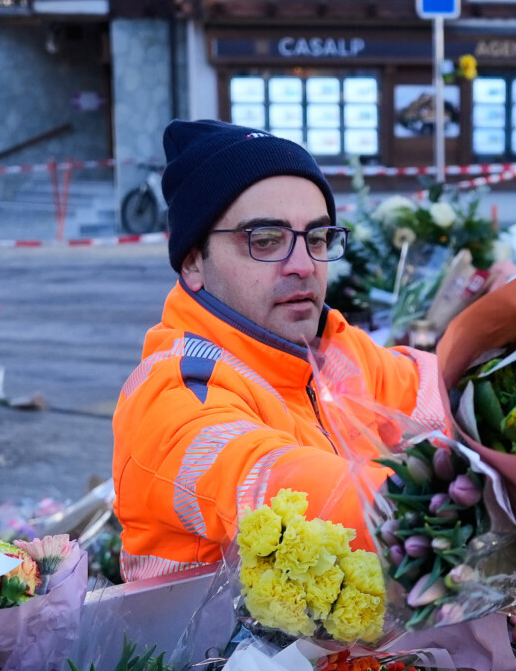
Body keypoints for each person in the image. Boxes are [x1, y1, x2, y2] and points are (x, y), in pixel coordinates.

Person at [112, 119, 446, 579]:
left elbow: (443, 391)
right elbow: (270, 485)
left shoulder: (330, 348)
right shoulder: (175, 393)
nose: (303, 266)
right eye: (265, 240)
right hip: (206, 652)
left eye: (316, 238)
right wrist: (456, 502)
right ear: (193, 262)